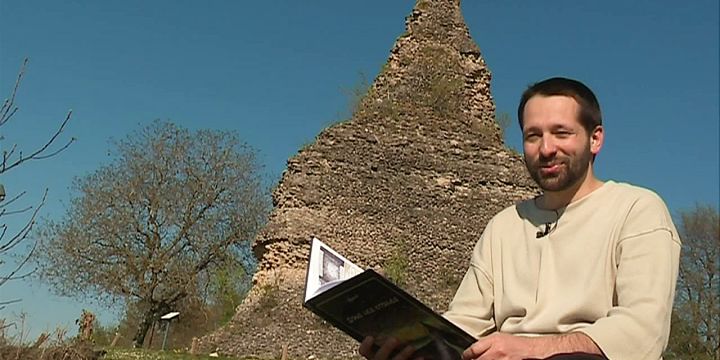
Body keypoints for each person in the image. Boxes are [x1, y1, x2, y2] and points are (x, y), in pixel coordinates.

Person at [359, 77, 681, 360]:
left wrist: (528, 349)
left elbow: (642, 332)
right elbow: (465, 323)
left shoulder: (637, 210)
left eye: (561, 132)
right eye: (533, 135)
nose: (546, 149)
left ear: (595, 139)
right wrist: (412, 343)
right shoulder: (504, 226)